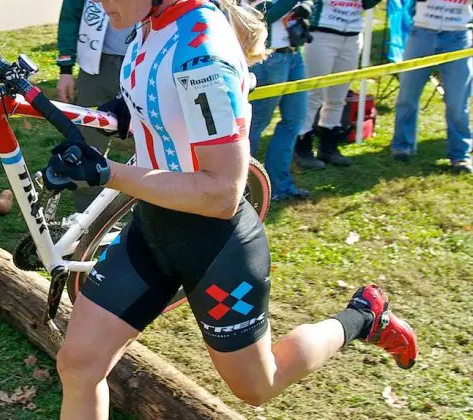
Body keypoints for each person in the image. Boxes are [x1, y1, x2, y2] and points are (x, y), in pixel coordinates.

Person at [42, 1, 418, 418]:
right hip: (152, 228)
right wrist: (119, 112)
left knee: (259, 385)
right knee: (79, 364)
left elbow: (220, 194)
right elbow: (159, 102)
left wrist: (105, 172)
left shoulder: (202, 50)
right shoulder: (150, 22)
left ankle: (363, 317)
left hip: (214, 247)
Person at [57, 0, 134, 211]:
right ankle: (86, 216)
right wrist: (65, 69)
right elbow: (70, 16)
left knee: (153, 141)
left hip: (143, 61)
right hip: (95, 66)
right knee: (86, 143)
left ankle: (152, 211)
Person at [294, 0, 383, 168]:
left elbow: (367, 3)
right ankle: (302, 147)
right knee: (314, 94)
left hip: (353, 36)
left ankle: (328, 147)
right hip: (322, 34)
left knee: (338, 96)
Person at [390, 0, 472, 174]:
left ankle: (460, 155)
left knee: (457, 102)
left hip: (458, 35)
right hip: (421, 32)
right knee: (407, 96)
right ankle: (402, 146)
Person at [248, 0, 314, 200]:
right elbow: (259, 15)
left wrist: (308, 6)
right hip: (268, 59)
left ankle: (280, 186)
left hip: (294, 54)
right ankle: (244, 188)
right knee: (255, 125)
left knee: (294, 121)